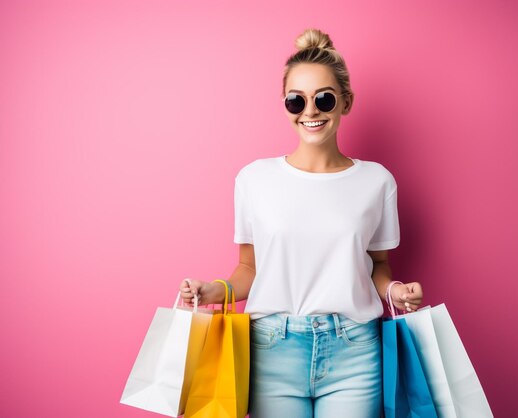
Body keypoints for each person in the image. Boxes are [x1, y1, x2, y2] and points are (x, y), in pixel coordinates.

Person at [179, 27, 423, 418]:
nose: (310, 111)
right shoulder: (254, 179)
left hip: (355, 352)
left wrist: (394, 291)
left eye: (324, 98)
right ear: (286, 105)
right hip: (272, 349)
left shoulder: (377, 181)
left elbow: (378, 265)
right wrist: (214, 289)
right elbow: (249, 268)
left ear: (346, 102)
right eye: (297, 100)